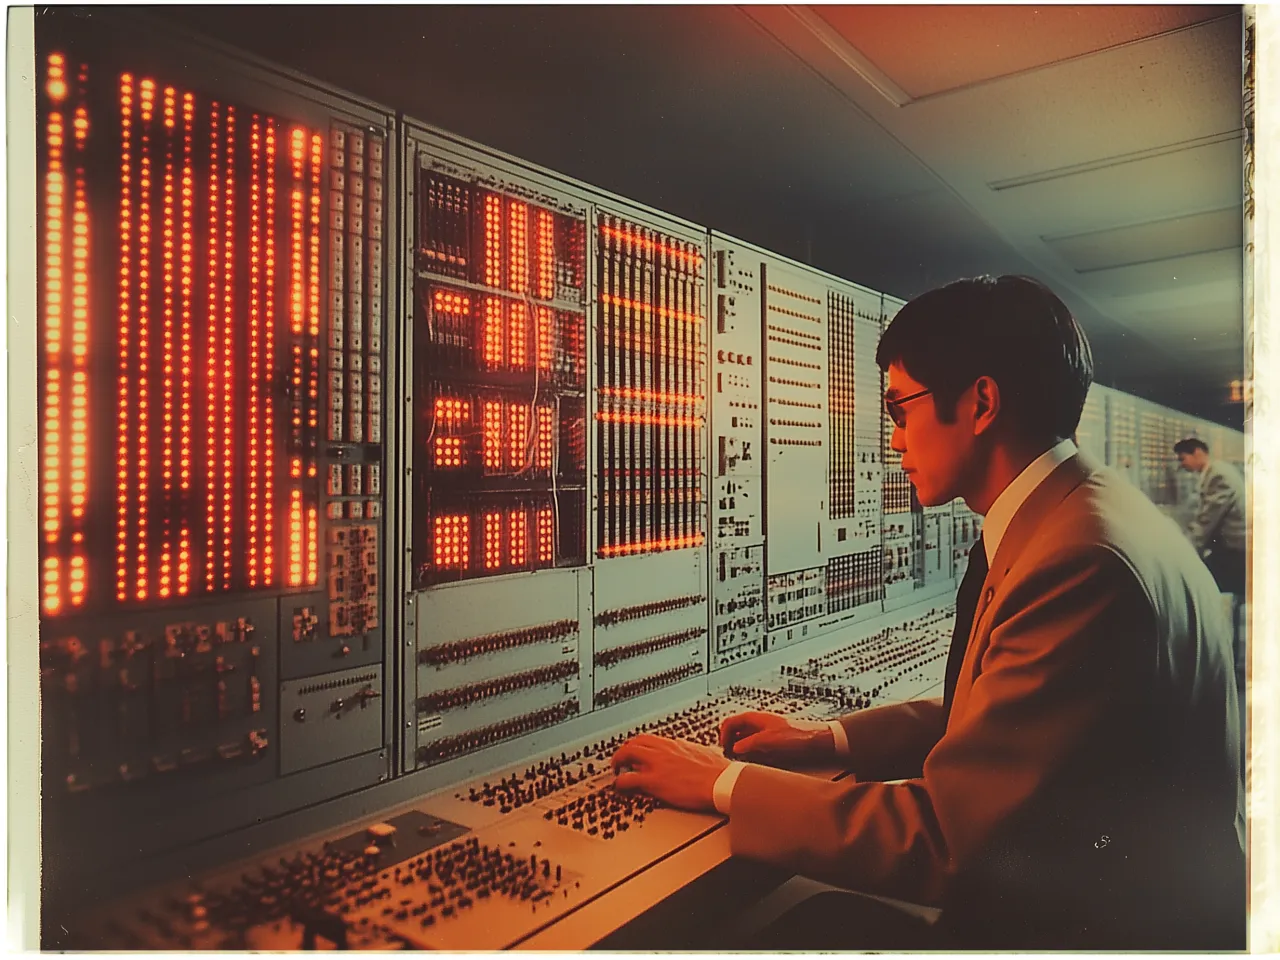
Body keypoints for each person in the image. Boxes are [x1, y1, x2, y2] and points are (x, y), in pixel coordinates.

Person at [611, 275, 1244, 950]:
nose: (894, 442)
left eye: (900, 410)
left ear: (980, 402)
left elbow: (948, 837)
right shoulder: (1084, 511)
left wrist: (722, 781)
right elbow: (1006, 719)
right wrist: (829, 740)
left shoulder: (1077, 560)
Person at [1174, 436, 1247, 742]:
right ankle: (1221, 652)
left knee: (1196, 587)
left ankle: (1211, 658)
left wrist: (1184, 551)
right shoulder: (1218, 472)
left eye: (1184, 458)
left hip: (1236, 551)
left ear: (1198, 453)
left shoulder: (1217, 475)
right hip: (1234, 550)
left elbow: (1207, 521)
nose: (1182, 465)